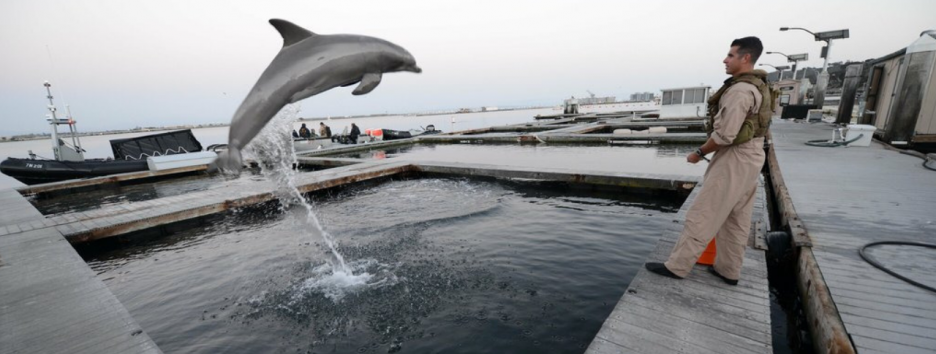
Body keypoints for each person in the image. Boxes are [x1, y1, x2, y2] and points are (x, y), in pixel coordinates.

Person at [645, 36, 771, 286]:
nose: (725, 60)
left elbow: (725, 135)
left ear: (746, 58)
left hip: (735, 159)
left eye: (731, 55)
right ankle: (728, 270)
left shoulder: (740, 90)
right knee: (736, 218)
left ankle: (677, 267)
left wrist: (699, 153)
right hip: (753, 156)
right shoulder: (759, 86)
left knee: (704, 214)